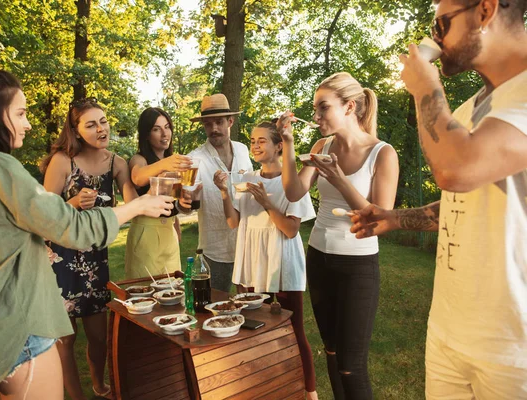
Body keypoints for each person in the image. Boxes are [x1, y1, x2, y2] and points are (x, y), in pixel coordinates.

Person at [0, 67, 173, 399]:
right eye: (20, 113)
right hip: (22, 333)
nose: (28, 123)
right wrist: (137, 207)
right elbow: (70, 226)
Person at [350, 1, 527, 398]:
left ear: (485, 9)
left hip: (514, 350)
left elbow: (456, 170)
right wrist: (396, 218)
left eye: (441, 23)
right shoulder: (468, 110)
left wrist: (425, 85)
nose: (434, 36)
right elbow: (465, 199)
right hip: (450, 333)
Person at [277, 72, 399, 399]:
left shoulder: (382, 154)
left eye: (323, 108)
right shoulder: (321, 146)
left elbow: (380, 221)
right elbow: (292, 191)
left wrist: (339, 178)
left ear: (349, 107)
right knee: (331, 352)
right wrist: (288, 144)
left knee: (352, 365)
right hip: (318, 258)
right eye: (315, 109)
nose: (316, 117)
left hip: (358, 266)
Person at [213, 121, 318, 400]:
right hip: (251, 265)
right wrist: (225, 191)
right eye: (252, 140)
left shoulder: (291, 183)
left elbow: (291, 229)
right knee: (252, 331)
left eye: (262, 141)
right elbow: (233, 222)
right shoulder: (246, 179)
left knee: (293, 332)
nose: (255, 146)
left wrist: (267, 203)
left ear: (279, 146)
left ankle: (310, 393)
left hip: (282, 265)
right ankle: (266, 389)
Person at [39, 98, 136, 399]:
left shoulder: (116, 163)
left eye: (104, 121)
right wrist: (71, 204)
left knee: (98, 338)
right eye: (91, 124)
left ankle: (100, 386)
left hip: (95, 261)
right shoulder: (62, 161)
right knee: (65, 340)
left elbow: (133, 204)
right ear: (76, 130)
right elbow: (42, 215)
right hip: (59, 261)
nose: (101, 128)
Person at [186, 93, 253, 292]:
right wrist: (187, 198)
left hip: (248, 245)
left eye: (219, 122)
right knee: (212, 312)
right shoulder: (193, 160)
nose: (214, 129)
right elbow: (187, 203)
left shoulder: (243, 150)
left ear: (230, 121)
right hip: (215, 250)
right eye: (208, 124)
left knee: (253, 310)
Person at [124, 107, 192, 279]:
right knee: (146, 293)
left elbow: (173, 201)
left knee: (173, 293)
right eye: (156, 129)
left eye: (167, 127)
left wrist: (183, 203)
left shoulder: (171, 164)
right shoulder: (139, 159)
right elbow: (138, 177)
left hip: (169, 234)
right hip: (146, 235)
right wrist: (166, 164)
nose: (164, 133)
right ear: (146, 134)